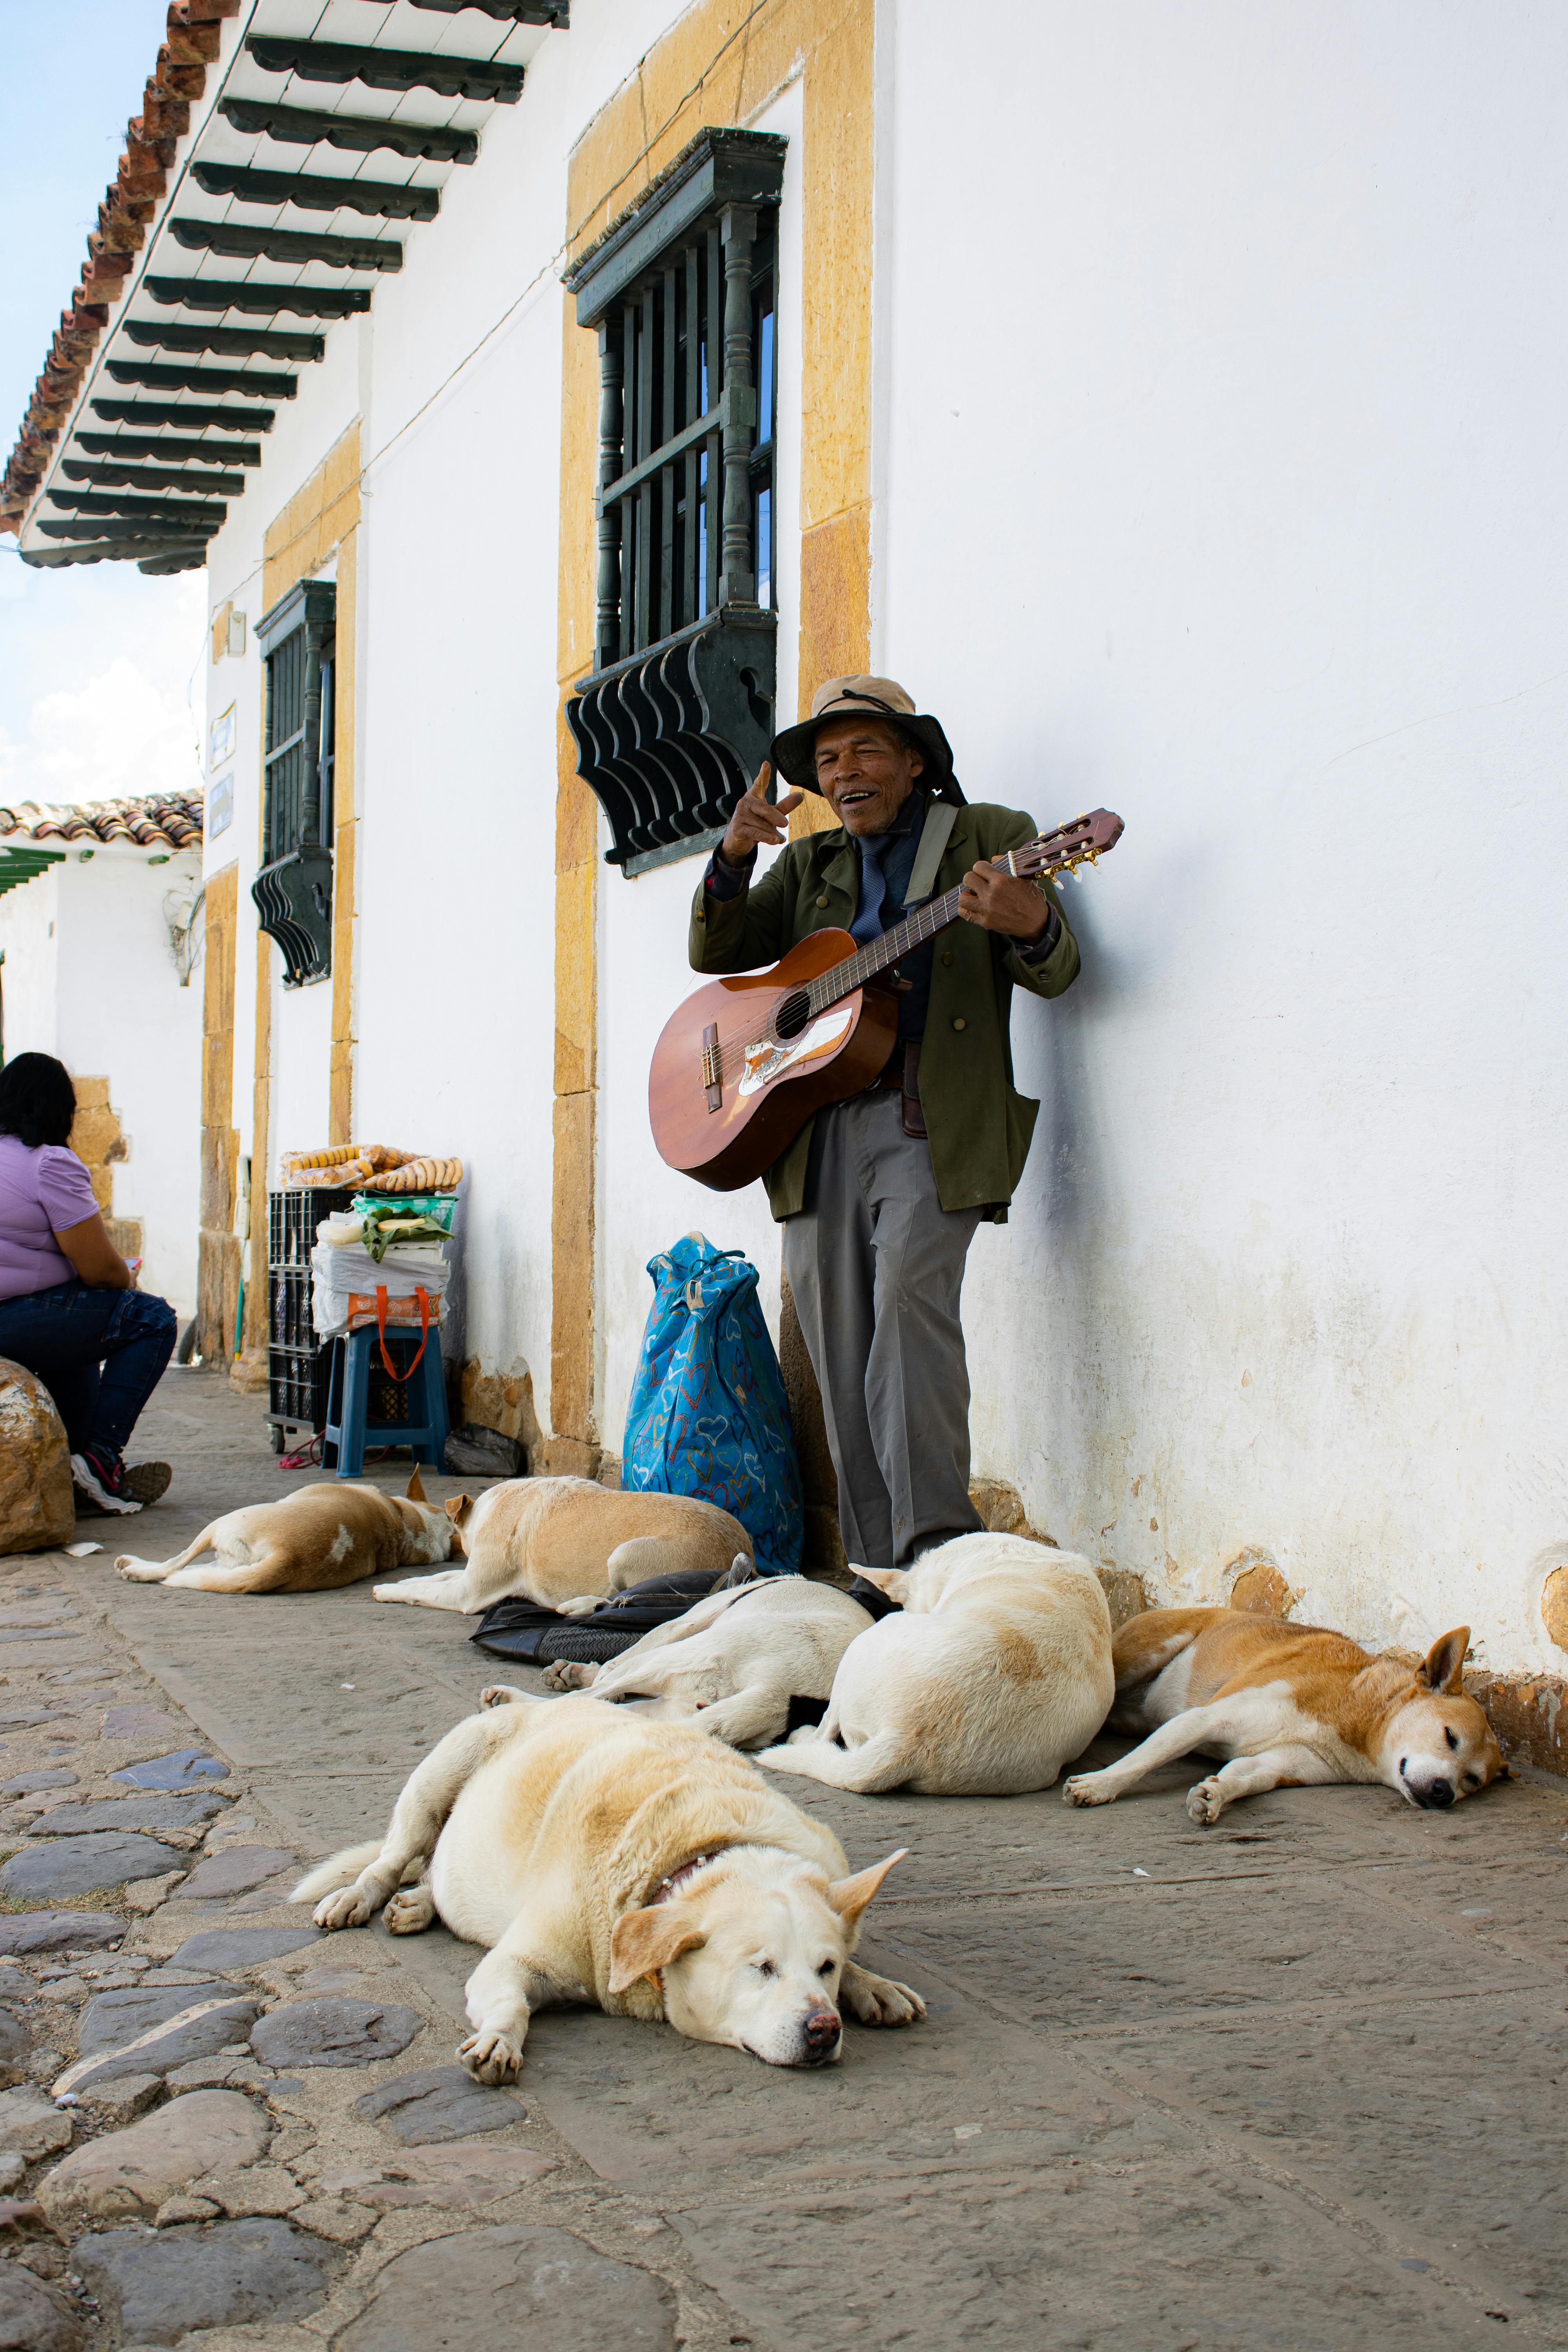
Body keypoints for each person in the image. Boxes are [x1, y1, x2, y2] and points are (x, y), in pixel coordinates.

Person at [688, 675, 1081, 1572]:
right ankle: (875, 1574)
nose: (842, 770)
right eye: (827, 760)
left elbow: (1057, 974)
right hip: (812, 1124)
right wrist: (731, 856)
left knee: (910, 1325)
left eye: (864, 750)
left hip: (926, 1122)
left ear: (914, 760)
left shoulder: (989, 839)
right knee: (837, 1345)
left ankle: (937, 1561)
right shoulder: (808, 868)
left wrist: (1030, 924)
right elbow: (715, 953)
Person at [0, 1053, 175, 1516]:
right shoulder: (47, 1163)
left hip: (29, 1313)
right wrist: (129, 1277)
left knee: (79, 1327)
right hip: (16, 1316)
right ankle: (101, 1461)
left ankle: (73, 1468)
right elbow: (99, 1269)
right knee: (149, 1318)